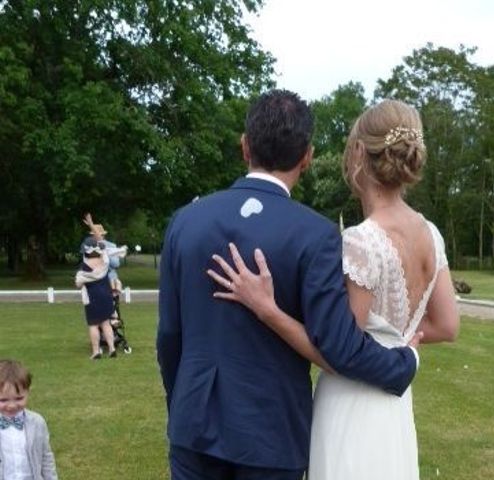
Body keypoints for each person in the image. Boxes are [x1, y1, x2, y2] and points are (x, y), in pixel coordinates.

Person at [156, 89, 421, 480]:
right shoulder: (316, 235)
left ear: (245, 146)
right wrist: (404, 363)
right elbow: (340, 346)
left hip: (193, 426)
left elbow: (169, 337)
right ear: (307, 157)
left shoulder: (185, 221)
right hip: (272, 434)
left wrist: (183, 406)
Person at [208, 99, 460, 479]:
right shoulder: (430, 233)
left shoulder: (363, 240)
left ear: (359, 152)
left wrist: (267, 309)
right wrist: (401, 346)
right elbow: (446, 325)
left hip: (352, 403)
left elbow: (338, 351)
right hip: (394, 404)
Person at [0, 359, 58, 480]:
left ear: (28, 392)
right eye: (3, 400)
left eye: (19, 398)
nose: (11, 405)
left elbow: (46, 456)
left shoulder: (37, 422)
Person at [75, 238, 117, 359]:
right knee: (106, 323)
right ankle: (112, 348)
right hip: (106, 295)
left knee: (93, 324)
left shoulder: (84, 267)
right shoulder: (104, 261)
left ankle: (96, 351)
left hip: (92, 297)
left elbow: (78, 283)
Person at [81, 213, 128, 293]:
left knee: (113, 281)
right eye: (93, 235)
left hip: (109, 276)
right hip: (94, 276)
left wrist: (105, 254)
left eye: (97, 235)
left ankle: (114, 298)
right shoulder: (88, 245)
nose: (95, 237)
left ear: (103, 235)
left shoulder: (111, 246)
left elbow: (116, 264)